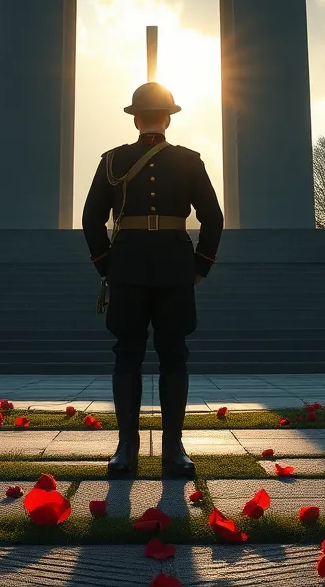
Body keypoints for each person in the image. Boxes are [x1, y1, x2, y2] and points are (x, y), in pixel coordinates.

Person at [82, 81, 224, 480]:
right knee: (171, 352)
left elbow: (92, 219)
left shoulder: (115, 160)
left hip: (127, 265)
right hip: (174, 267)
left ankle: (131, 449)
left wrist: (106, 265)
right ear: (167, 118)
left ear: (137, 118)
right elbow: (212, 217)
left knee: (130, 352)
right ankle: (168, 449)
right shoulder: (186, 160)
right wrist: (200, 265)